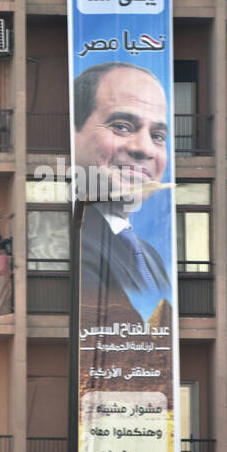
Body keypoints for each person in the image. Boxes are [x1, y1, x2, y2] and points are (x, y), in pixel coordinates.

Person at [73, 61, 173, 319]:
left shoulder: (150, 257)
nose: (145, 148)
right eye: (121, 126)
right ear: (73, 132)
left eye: (158, 136)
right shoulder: (67, 239)